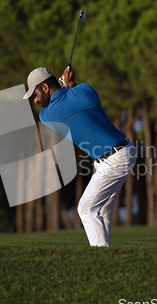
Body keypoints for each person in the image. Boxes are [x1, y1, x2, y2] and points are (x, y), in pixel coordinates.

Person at [22, 66, 136, 247]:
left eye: (35, 94)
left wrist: (63, 83)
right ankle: (106, 255)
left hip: (113, 160)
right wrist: (68, 83)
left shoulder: (48, 115)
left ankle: (100, 257)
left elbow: (60, 102)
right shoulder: (85, 91)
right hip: (123, 151)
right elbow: (74, 93)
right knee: (102, 211)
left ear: (44, 88)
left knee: (86, 209)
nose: (35, 100)